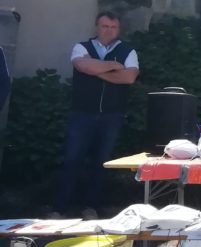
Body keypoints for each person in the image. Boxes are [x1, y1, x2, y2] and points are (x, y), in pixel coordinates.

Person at [54, 12, 140, 219]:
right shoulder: (82, 47)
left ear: (118, 29)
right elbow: (81, 65)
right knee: (72, 160)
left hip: (112, 116)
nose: (108, 30)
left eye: (113, 27)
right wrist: (113, 66)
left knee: (101, 163)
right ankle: (59, 208)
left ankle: (90, 207)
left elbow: (129, 77)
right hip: (82, 114)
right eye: (104, 26)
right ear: (97, 27)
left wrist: (95, 69)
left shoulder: (128, 51)